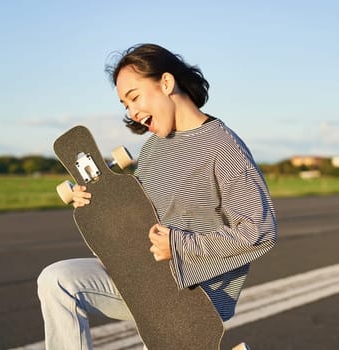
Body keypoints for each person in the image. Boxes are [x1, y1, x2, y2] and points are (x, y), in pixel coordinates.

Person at [36, 43, 278, 349]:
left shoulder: (222, 147)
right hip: (143, 276)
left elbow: (260, 231)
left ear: (166, 83)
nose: (132, 112)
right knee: (57, 279)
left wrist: (178, 244)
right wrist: (97, 204)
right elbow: (138, 218)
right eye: (124, 105)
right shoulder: (152, 149)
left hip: (192, 294)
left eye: (134, 97)